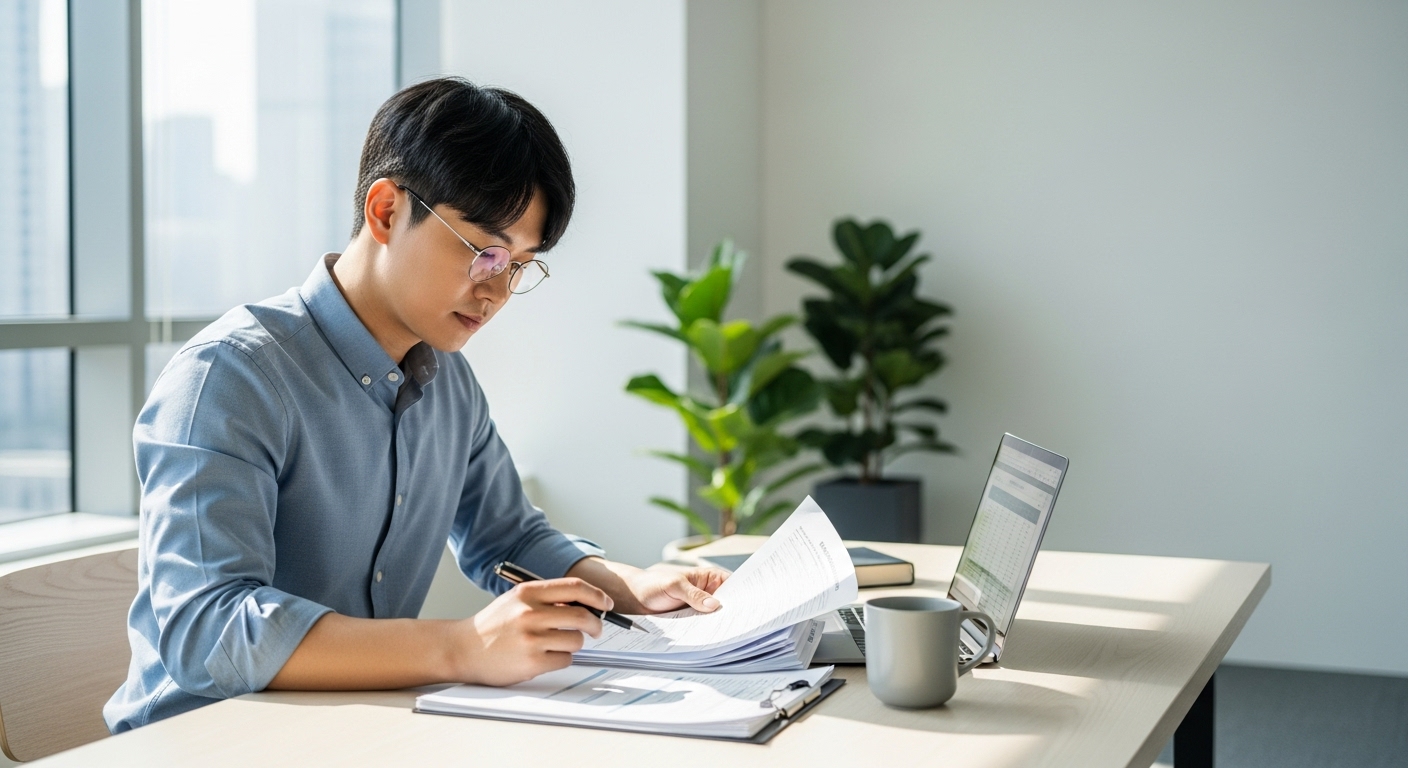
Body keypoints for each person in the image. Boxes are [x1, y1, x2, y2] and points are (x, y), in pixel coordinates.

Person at [105, 77, 727, 732]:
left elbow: (508, 537)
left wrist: (630, 587)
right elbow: (207, 629)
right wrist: (460, 647)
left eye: (519, 265)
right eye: (484, 252)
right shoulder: (230, 377)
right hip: (202, 741)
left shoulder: (447, 380)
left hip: (355, 731)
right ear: (385, 211)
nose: (497, 292)